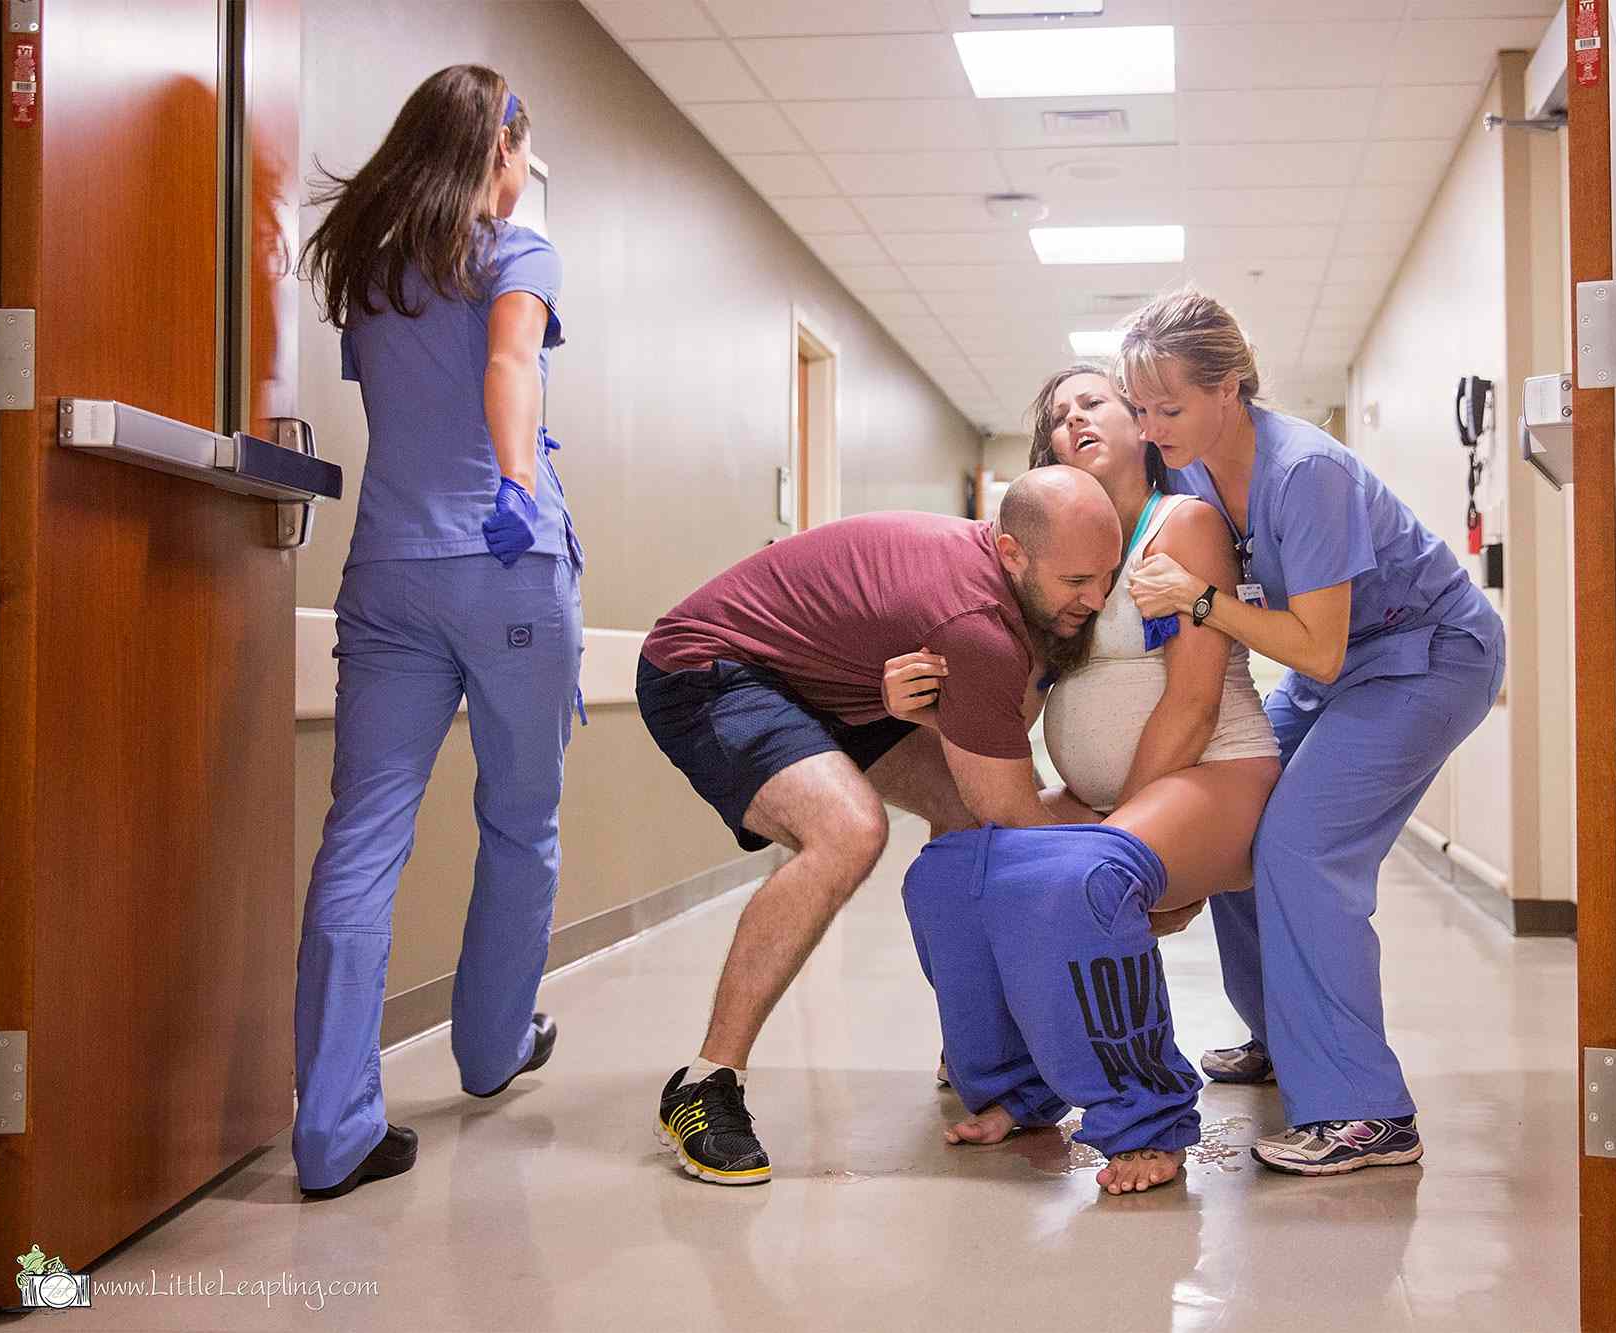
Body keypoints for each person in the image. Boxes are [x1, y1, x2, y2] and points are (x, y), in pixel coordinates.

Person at [637, 469, 1123, 1185]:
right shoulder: (974, 622)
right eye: (1078, 579)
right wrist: (1141, 858)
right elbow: (1013, 811)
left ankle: (972, 1044)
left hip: (831, 687)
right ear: (1013, 552)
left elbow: (987, 776)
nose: (1098, 598)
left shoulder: (1002, 593)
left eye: (1108, 575)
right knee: (849, 830)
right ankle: (705, 1083)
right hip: (709, 665)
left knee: (960, 818)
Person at [1118, 288, 1506, 1176]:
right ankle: (1286, 1038)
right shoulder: (1189, 473)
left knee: (1301, 844)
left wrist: (1203, 600)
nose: (1153, 425)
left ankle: (1367, 1111)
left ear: (1233, 388)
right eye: (1141, 408)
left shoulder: (1306, 472)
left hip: (1427, 656)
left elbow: (1320, 651)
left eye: (1170, 407)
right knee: (1235, 804)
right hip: (1344, 656)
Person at [291, 66, 580, 1200]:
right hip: (503, 569)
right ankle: (490, 1047)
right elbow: (509, 363)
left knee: (360, 838)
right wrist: (515, 483)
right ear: (499, 150)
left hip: (387, 578)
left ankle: (332, 1128)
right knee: (518, 819)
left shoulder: (372, 267)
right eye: (520, 156)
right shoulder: (517, 250)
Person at [887, 364, 1280, 1193]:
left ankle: (1149, 1118)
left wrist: (1119, 836)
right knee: (950, 874)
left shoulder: (1184, 524)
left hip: (1216, 771)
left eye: (1093, 402)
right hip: (1117, 799)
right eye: (1060, 416)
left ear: (1142, 425)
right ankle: (1018, 1091)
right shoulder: (1056, 564)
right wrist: (919, 711)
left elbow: (1194, 702)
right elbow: (1009, 713)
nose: (1075, 419)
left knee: (1084, 879)